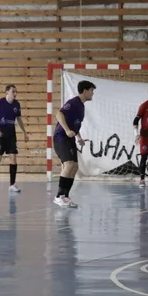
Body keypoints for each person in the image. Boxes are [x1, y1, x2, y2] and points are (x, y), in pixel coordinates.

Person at [53, 80, 95, 208]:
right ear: (85, 91)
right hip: (61, 137)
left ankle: (65, 196)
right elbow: (59, 114)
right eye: (91, 90)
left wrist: (79, 137)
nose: (93, 93)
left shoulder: (82, 106)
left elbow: (75, 124)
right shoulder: (73, 102)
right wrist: (66, 130)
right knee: (69, 165)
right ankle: (59, 196)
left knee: (75, 167)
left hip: (70, 139)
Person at [0, 84, 27, 193]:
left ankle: (12, 184)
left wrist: (24, 132)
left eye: (16, 91)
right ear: (7, 92)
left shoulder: (17, 104)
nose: (15, 93)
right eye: (13, 91)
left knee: (13, 158)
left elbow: (19, 119)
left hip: (11, 135)